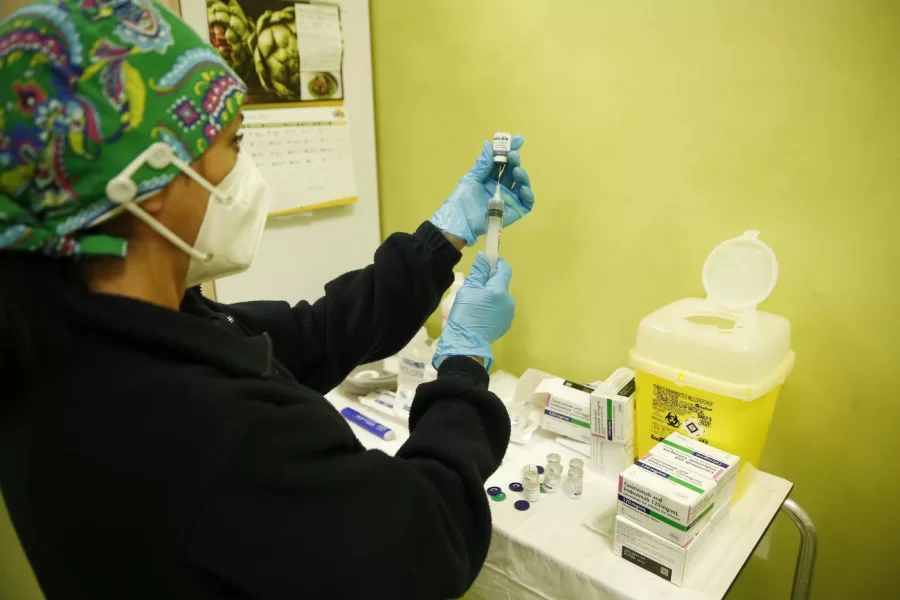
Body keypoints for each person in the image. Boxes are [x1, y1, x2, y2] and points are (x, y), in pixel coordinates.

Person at [0, 1, 535, 599]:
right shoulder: (210, 433)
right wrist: (464, 362)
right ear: (147, 181)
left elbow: (316, 334)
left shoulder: (61, 338)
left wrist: (444, 236)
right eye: (233, 142)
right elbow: (424, 537)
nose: (245, 169)